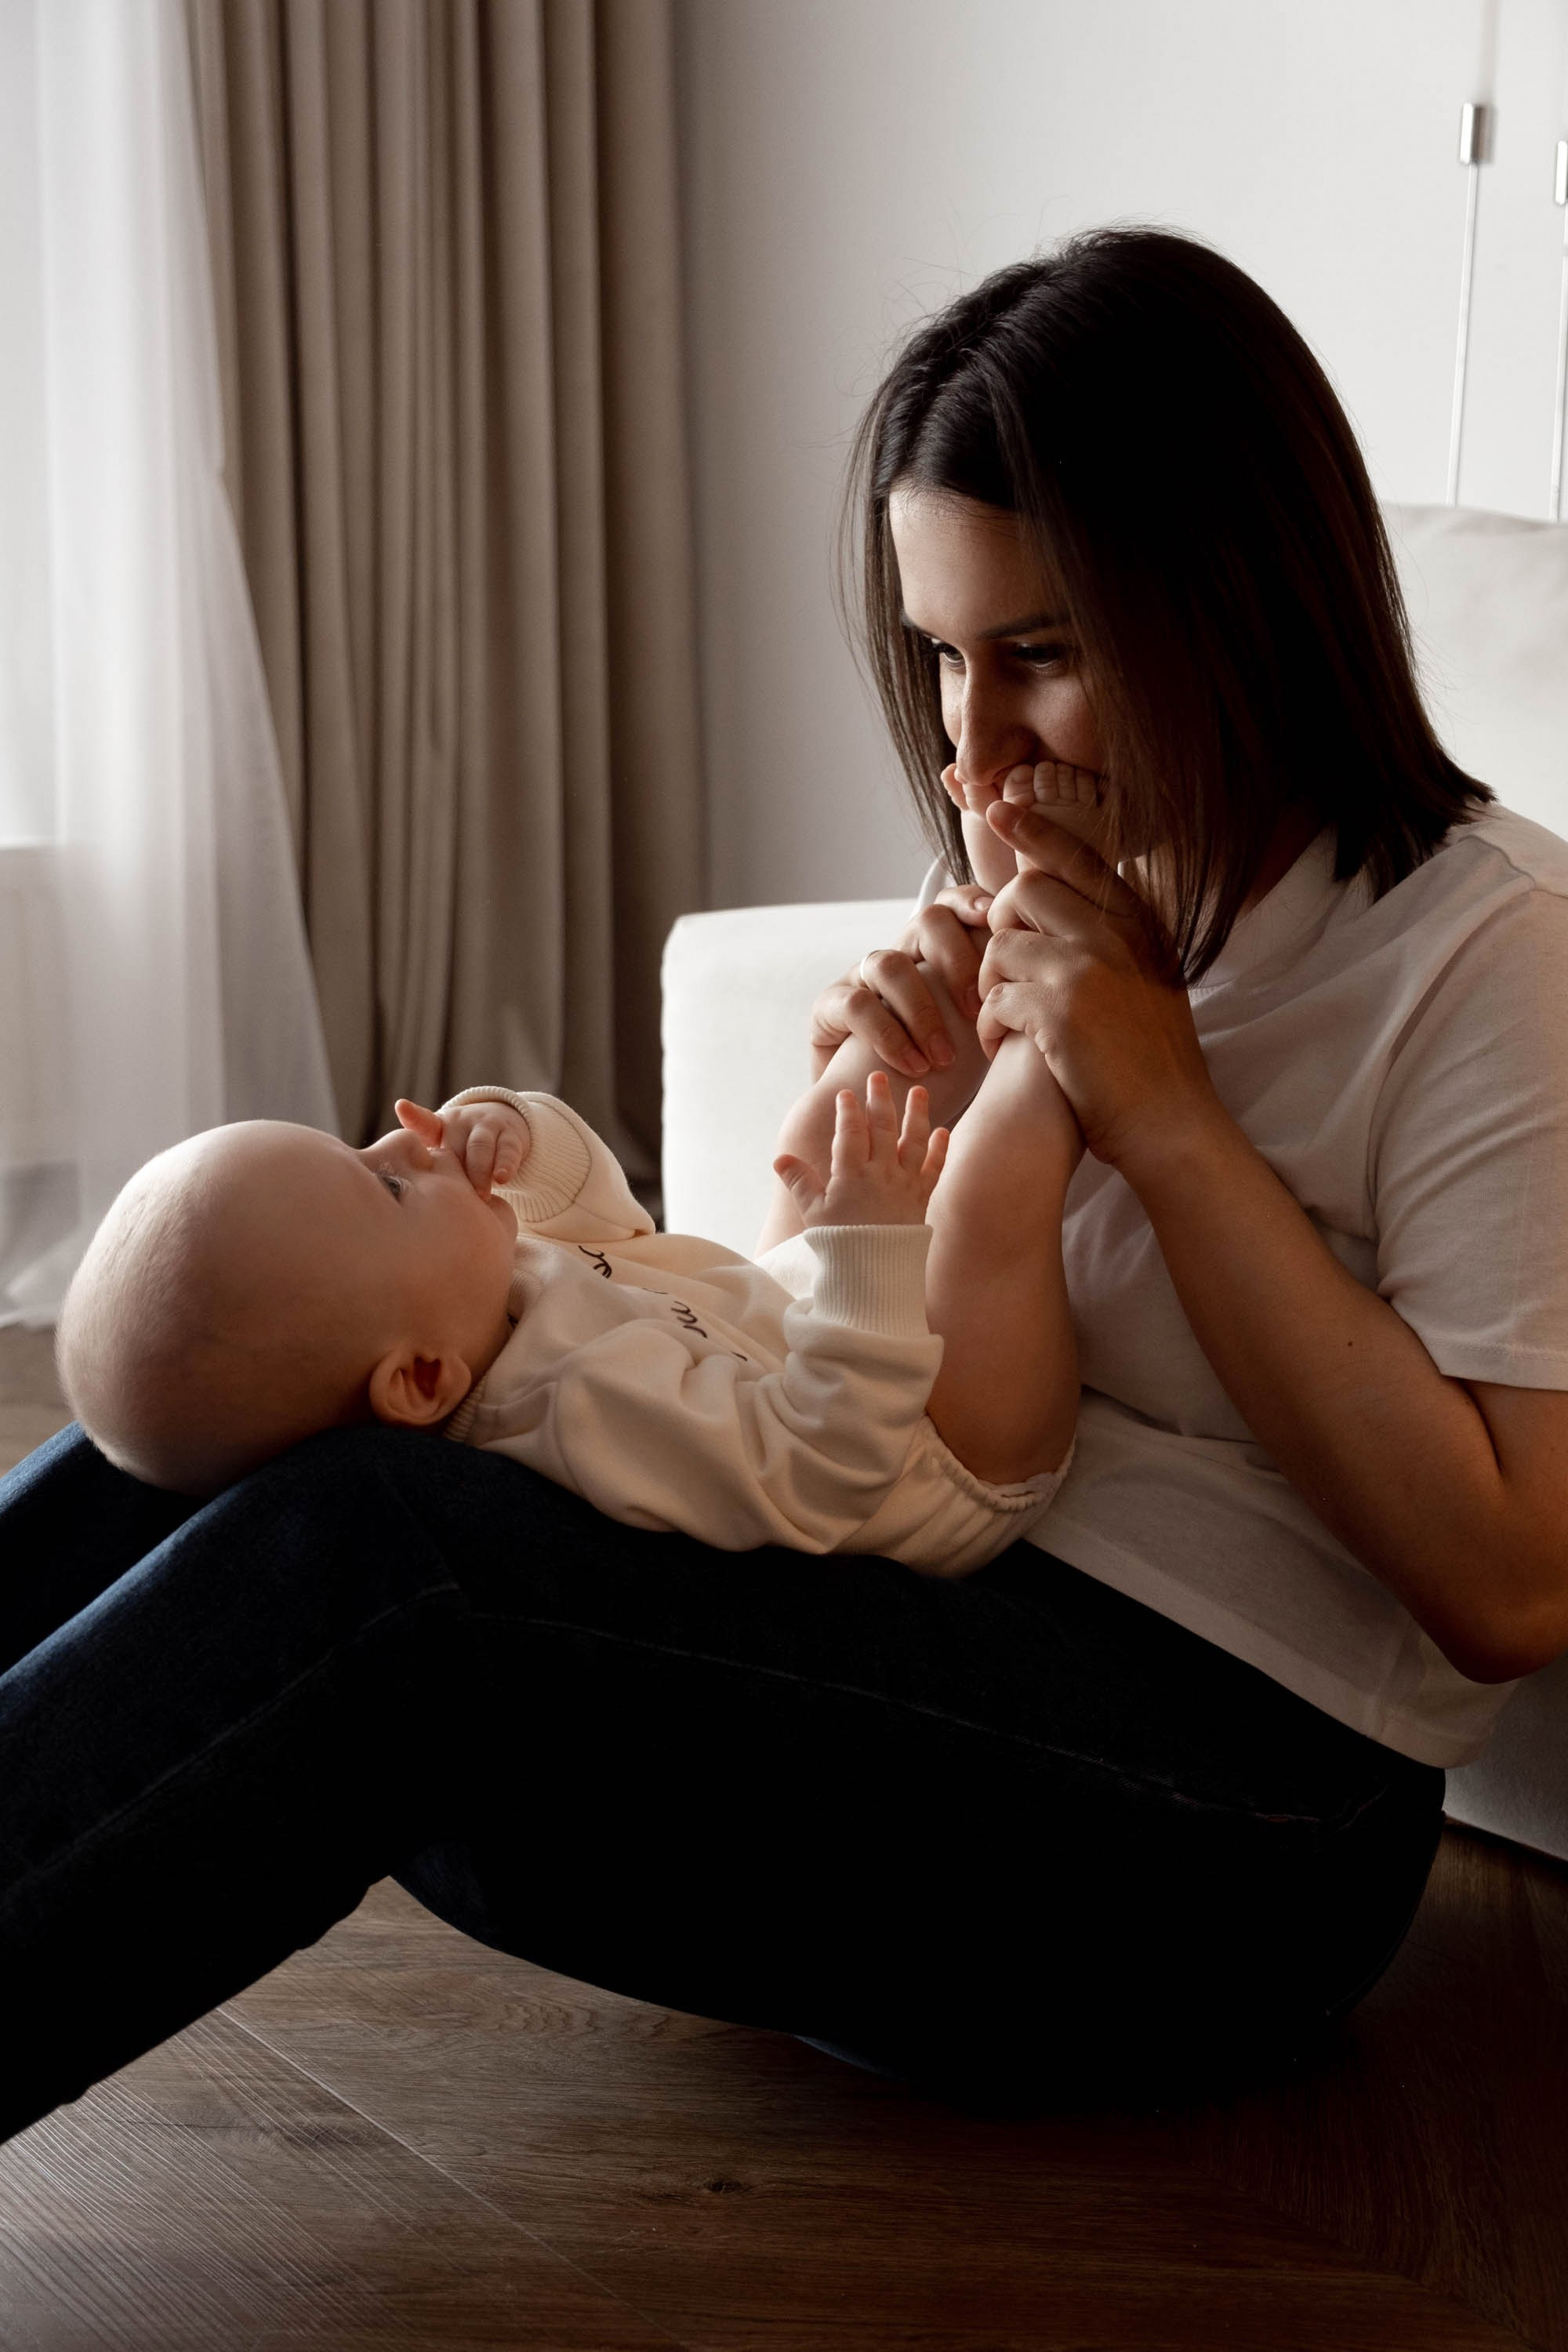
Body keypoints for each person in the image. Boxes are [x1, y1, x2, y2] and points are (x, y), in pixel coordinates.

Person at [5, 223, 1568, 2143]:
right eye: (937, 660)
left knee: (372, 1557)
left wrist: (1160, 1115)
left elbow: (1510, 1581)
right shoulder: (1068, 864)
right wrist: (874, 1131)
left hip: (1238, 1829)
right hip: (921, 1620)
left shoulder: (1490, 953)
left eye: (1042, 658)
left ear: (1232, 598)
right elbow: (814, 1393)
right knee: (252, 1388)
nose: (971, 750)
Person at [52, 1047, 1078, 1568]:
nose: (409, 1141)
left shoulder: (469, 1306)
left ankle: (969, 953)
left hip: (796, 1323)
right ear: (419, 1383)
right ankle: (1075, 985)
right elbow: (819, 1469)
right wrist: (869, 1248)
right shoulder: (577, 1407)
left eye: (364, 1143)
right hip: (930, 1459)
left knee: (841, 1095)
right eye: (389, 1186)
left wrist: (515, 1135)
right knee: (997, 1169)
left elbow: (612, 1230)